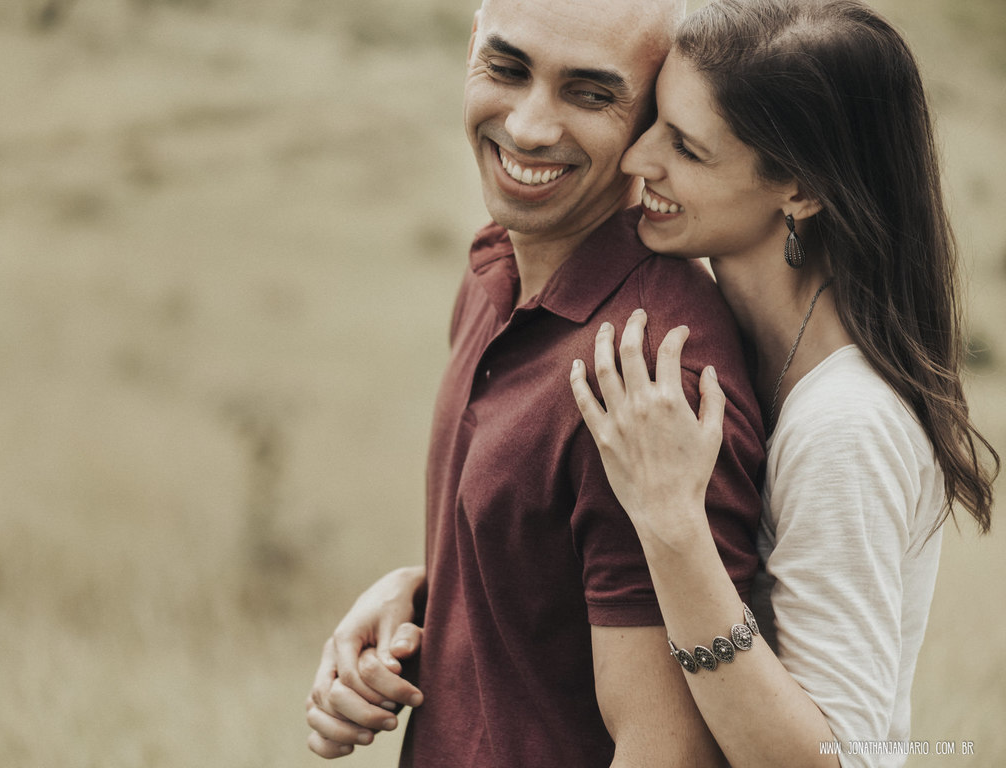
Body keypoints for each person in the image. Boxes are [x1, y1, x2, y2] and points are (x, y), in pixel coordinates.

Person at [306, 0, 769, 764]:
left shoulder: (649, 377)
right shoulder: (497, 266)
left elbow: (665, 748)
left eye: (590, 93)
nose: (526, 128)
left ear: (652, 120)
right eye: (507, 67)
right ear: (471, 51)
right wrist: (422, 602)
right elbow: (540, 566)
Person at [568, 1, 999, 766]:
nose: (638, 161)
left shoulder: (847, 426)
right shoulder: (728, 342)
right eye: (655, 121)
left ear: (799, 190)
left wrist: (673, 525)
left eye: (688, 149)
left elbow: (844, 759)